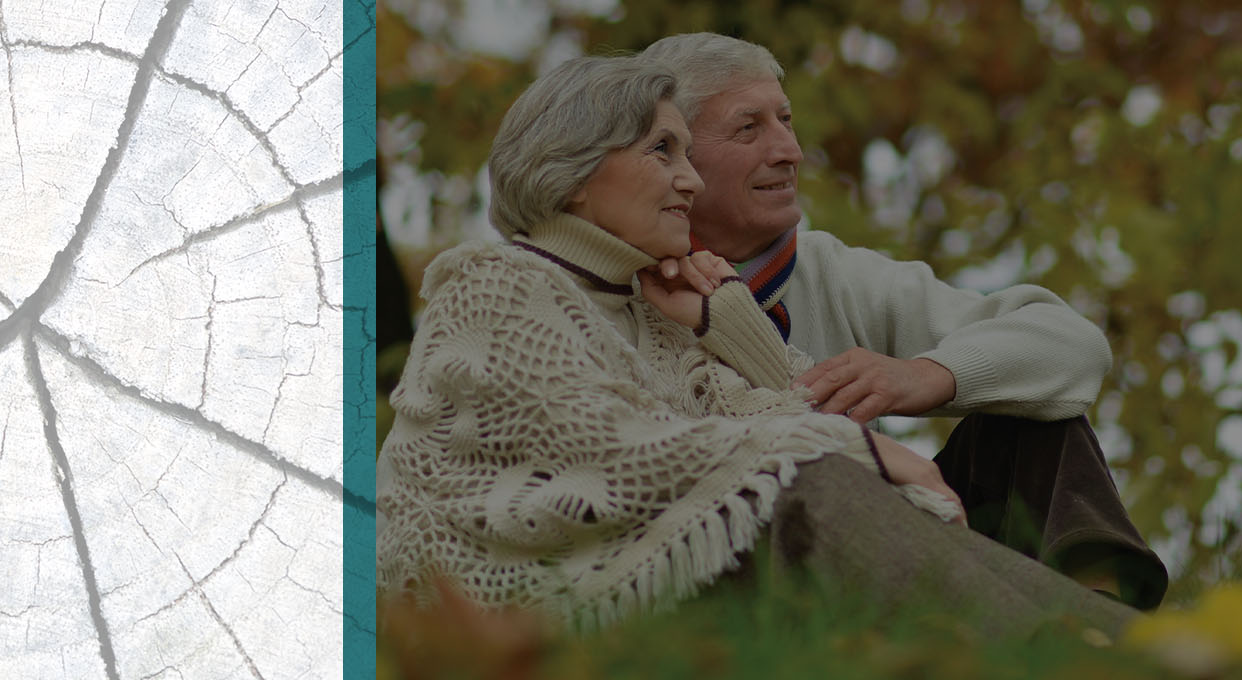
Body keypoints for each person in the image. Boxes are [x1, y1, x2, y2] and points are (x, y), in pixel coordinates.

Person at [376, 55, 1137, 637]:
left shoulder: (655, 305)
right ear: (573, 177)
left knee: (997, 418)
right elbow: (617, 452)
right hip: (523, 597)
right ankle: (1097, 651)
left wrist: (727, 325)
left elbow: (766, 412)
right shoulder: (500, 284)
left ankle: (1100, 630)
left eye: (686, 154)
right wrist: (868, 452)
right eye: (663, 153)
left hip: (674, 565)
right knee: (804, 484)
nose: (687, 182)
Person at [636, 33, 1169, 609]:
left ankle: (1109, 623)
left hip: (886, 548)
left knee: (1036, 416)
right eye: (749, 128)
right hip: (735, 580)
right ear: (673, 156)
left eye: (786, 120)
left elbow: (1073, 346)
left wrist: (927, 374)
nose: (789, 149)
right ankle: (1079, 635)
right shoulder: (609, 288)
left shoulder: (836, 272)